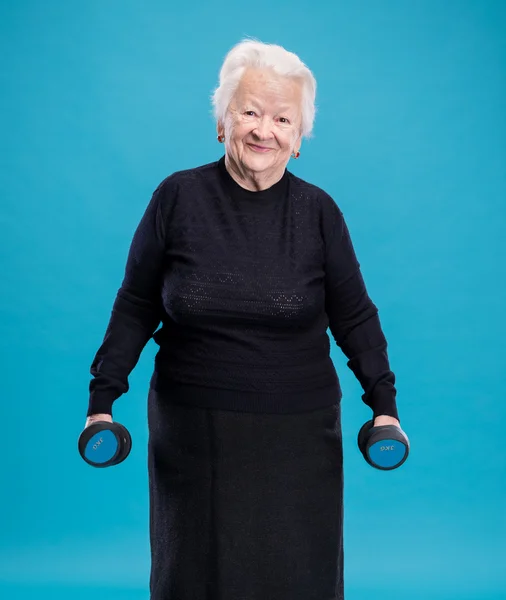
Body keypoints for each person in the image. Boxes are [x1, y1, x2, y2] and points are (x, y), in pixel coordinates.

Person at [84, 39, 402, 600]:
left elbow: (355, 317)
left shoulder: (319, 213)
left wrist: (384, 408)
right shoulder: (176, 198)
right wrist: (101, 401)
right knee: (195, 580)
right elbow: (135, 303)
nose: (263, 130)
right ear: (222, 121)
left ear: (299, 139)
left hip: (298, 438)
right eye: (249, 111)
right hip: (195, 435)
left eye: (282, 118)